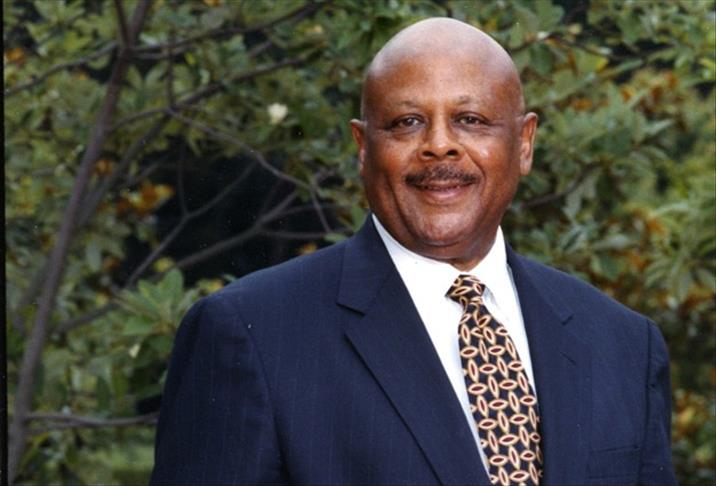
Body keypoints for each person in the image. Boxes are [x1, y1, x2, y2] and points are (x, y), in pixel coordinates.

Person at [151, 17, 676, 485]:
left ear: (524, 143)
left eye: (470, 119)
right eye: (407, 123)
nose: (439, 145)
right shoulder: (252, 335)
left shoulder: (623, 345)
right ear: (363, 148)